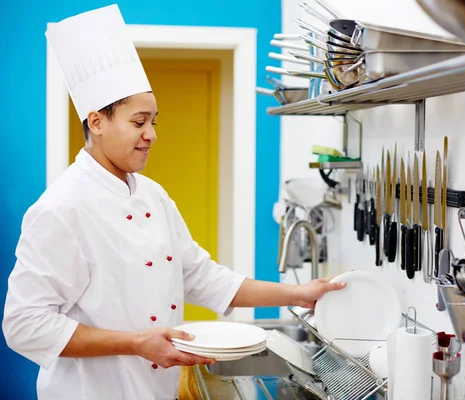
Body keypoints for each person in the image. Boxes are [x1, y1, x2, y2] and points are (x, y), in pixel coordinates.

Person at [1, 5, 346, 400]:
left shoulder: (152, 195)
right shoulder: (61, 209)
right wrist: (135, 343)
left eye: (154, 122)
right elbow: (24, 324)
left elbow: (203, 278)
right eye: (138, 122)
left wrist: (299, 294)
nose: (151, 134)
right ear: (96, 122)